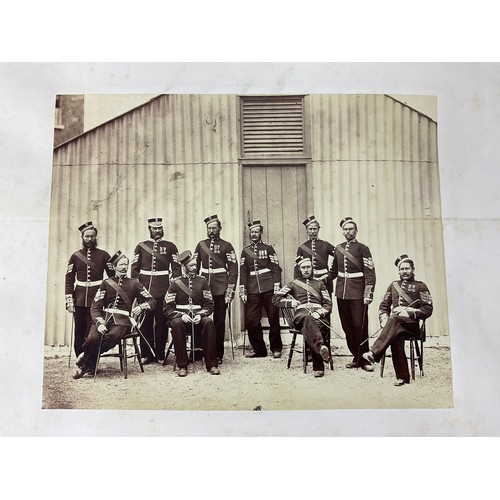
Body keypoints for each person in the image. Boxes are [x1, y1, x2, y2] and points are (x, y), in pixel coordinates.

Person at [73, 251, 156, 379]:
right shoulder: (106, 283)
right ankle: (88, 361)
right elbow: (95, 306)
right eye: (121, 265)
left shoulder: (134, 283)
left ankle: (85, 362)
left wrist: (141, 306)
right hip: (104, 318)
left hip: (122, 321)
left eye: (126, 265)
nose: (124, 267)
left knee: (112, 336)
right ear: (115, 267)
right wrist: (99, 323)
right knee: (92, 338)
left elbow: (152, 301)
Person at [363, 254, 433, 386]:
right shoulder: (393, 285)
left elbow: (428, 309)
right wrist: (384, 319)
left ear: (413, 269)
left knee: (394, 321)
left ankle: (373, 352)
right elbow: (384, 305)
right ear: (398, 271)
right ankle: (403, 377)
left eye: (407, 269)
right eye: (402, 269)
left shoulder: (421, 286)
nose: (404, 272)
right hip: (395, 326)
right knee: (395, 334)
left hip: (412, 327)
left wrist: (410, 312)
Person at [131, 217, 181, 364]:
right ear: (150, 230)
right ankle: (146, 354)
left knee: (161, 322)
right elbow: (134, 269)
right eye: (154, 228)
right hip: (145, 290)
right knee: (145, 322)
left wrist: (174, 289)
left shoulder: (171, 246)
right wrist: (136, 289)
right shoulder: (141, 246)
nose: (157, 231)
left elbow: (176, 270)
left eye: (159, 228)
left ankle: (159, 353)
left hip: (163, 289)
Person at [273, 256, 332, 377]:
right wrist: (290, 303)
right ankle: (320, 354)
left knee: (312, 325)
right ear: (299, 269)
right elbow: (275, 298)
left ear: (312, 268)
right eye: (303, 267)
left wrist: (319, 313)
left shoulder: (320, 284)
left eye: (308, 267)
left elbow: (328, 304)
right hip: (301, 316)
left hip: (318, 316)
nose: (306, 270)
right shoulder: (293, 284)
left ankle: (319, 361)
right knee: (308, 319)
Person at [163, 250, 220, 377]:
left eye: (195, 265)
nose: (195, 267)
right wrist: (181, 316)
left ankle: (212, 364)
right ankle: (182, 365)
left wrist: (201, 314)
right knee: (177, 324)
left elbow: (209, 304)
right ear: (184, 267)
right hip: (180, 319)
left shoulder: (202, 281)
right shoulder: (175, 283)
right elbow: (167, 308)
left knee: (209, 322)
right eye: (191, 265)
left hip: (197, 318)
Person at [330, 217, 376, 371]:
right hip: (341, 293)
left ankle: (365, 360)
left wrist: (368, 294)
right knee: (347, 327)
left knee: (360, 326)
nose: (348, 231)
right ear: (342, 231)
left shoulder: (363, 248)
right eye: (345, 229)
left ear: (356, 231)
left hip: (358, 294)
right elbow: (334, 272)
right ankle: (356, 356)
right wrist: (319, 279)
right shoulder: (338, 248)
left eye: (351, 229)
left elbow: (370, 273)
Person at [65, 221, 115, 357]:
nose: (89, 239)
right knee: (79, 330)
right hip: (79, 299)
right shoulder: (75, 256)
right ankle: (79, 359)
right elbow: (69, 280)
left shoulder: (104, 255)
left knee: (92, 331)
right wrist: (70, 301)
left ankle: (91, 360)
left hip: (97, 299)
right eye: (86, 236)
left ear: (95, 237)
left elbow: (113, 279)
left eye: (92, 236)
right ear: (82, 237)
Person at [194, 214, 238, 363]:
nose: (211, 230)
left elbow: (233, 269)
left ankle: (218, 354)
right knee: (200, 318)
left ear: (220, 228)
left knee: (219, 322)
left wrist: (230, 291)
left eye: (214, 228)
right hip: (203, 288)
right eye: (209, 228)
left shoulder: (227, 246)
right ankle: (199, 351)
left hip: (221, 289)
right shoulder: (201, 245)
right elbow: (194, 267)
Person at [239, 220, 283, 359]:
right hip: (253, 289)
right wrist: (243, 290)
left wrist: (277, 286)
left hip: (269, 287)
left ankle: (276, 348)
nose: (254, 234)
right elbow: (243, 271)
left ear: (261, 233)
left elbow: (276, 268)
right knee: (252, 320)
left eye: (256, 231)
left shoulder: (268, 248)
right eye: (252, 232)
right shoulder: (245, 251)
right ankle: (259, 350)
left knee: (273, 318)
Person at [295, 215, 336, 296]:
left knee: (326, 305)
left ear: (318, 230)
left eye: (315, 229)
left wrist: (331, 273)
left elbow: (339, 257)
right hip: (308, 281)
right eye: (310, 229)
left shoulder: (325, 244)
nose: (312, 231)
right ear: (306, 230)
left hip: (324, 280)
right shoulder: (302, 247)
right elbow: (297, 267)